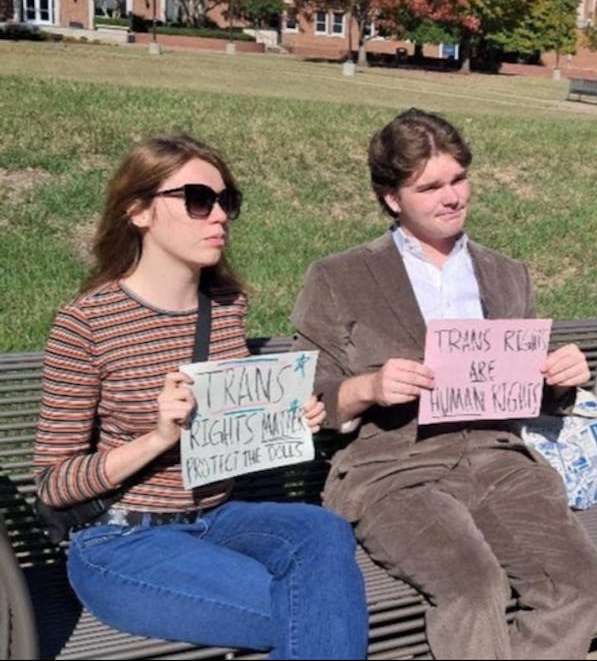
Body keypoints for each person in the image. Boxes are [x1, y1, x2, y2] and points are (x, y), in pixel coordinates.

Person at [291, 108, 597, 660]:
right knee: (472, 589)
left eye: (458, 179)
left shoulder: (505, 273)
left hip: (498, 460)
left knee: (580, 585)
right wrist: (368, 388)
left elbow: (525, 386)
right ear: (392, 197)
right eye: (429, 186)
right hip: (394, 469)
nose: (451, 197)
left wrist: (561, 379)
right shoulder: (340, 276)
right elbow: (311, 401)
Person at [32, 135, 367, 659]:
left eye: (225, 200)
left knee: (321, 530)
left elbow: (231, 430)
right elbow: (54, 484)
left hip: (219, 517)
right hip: (124, 541)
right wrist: (158, 438)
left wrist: (284, 420)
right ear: (139, 210)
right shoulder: (87, 323)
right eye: (197, 200)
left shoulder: (226, 306)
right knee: (311, 611)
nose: (219, 216)